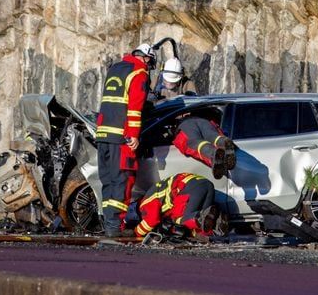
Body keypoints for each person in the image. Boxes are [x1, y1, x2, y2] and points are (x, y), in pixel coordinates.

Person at [95, 43, 156, 237]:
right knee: (123, 180)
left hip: (103, 133)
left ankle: (109, 224)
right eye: (149, 62)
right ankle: (115, 228)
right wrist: (134, 136)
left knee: (108, 181)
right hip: (122, 136)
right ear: (146, 58)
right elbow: (134, 108)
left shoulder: (116, 69)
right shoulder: (139, 73)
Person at [124, 173, 229, 240]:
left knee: (181, 219)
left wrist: (136, 232)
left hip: (188, 187)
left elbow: (151, 220)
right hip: (204, 183)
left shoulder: (144, 204)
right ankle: (217, 223)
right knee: (204, 221)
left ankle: (202, 218)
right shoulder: (153, 193)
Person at [173, 111, 237, 179]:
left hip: (185, 125)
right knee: (214, 136)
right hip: (204, 121)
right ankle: (223, 142)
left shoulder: (180, 120)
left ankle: (213, 154)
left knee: (194, 143)